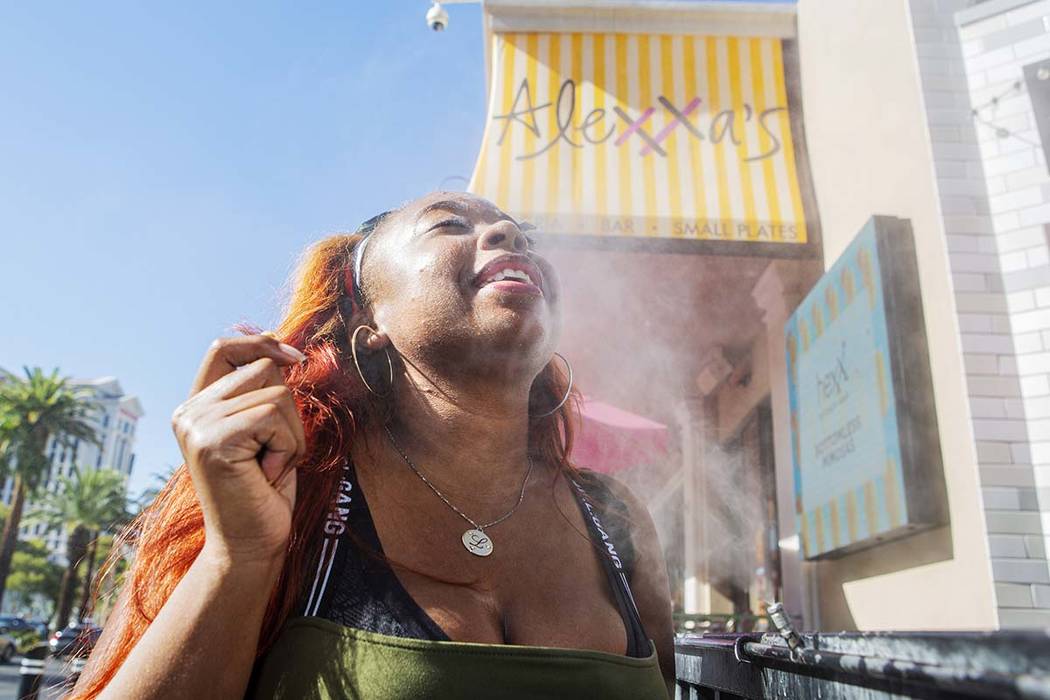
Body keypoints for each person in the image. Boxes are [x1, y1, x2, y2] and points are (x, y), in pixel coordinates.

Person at [72, 192, 675, 699]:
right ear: (371, 321)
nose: (509, 238)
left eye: (524, 237)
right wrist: (240, 554)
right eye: (451, 224)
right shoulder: (284, 487)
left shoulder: (614, 517)